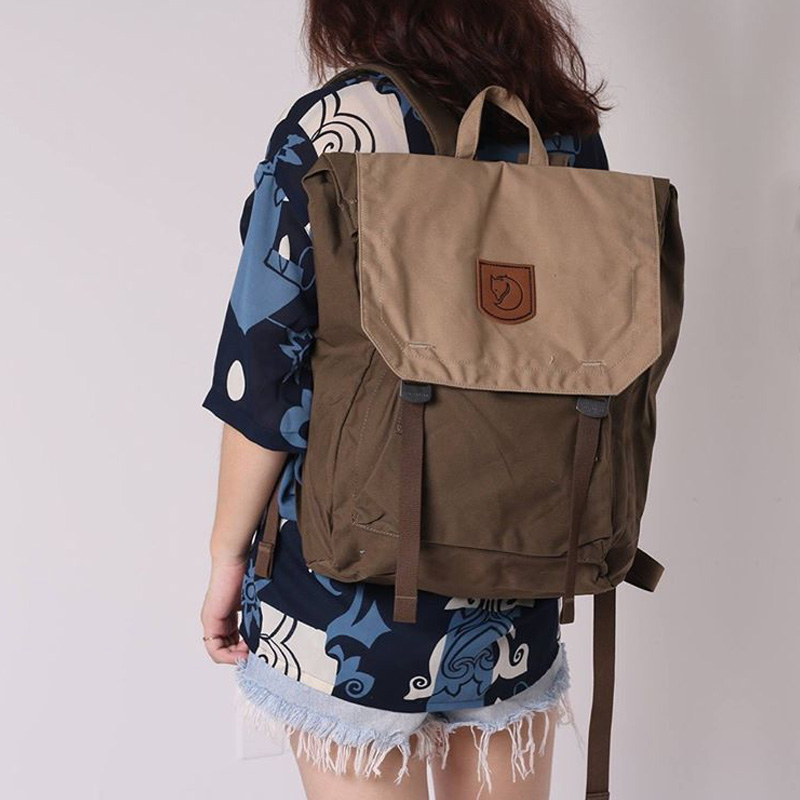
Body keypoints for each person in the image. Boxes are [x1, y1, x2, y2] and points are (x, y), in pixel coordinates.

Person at [200, 2, 612, 798]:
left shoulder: (333, 127)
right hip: (518, 558)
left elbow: (265, 379)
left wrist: (226, 556)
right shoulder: (560, 129)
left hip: (345, 577)